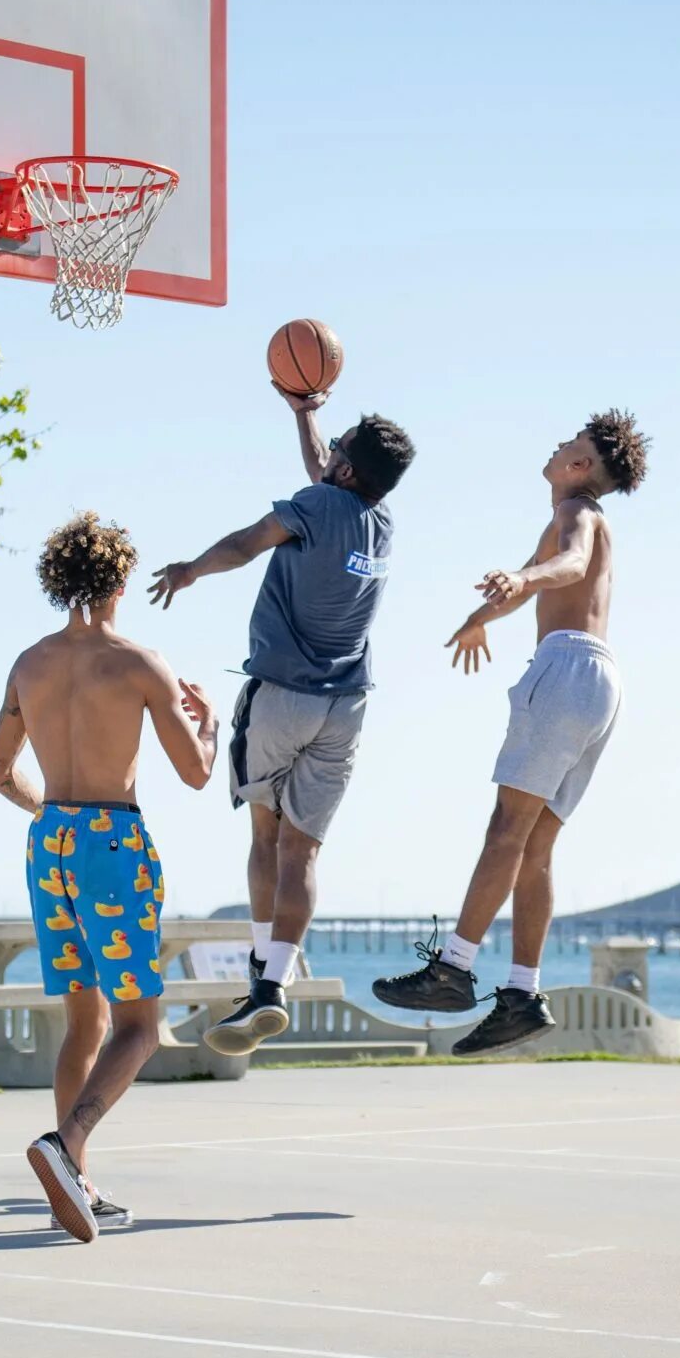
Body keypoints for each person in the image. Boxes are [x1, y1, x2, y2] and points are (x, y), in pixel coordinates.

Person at [147, 387, 414, 1054]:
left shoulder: (317, 505)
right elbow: (326, 471)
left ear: (348, 471)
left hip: (282, 697)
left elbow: (247, 541)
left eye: (340, 451)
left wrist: (190, 570)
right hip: (346, 706)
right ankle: (277, 982)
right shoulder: (378, 523)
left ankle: (260, 983)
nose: (330, 456)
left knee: (264, 839)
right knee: (304, 852)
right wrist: (305, 413)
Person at [373, 411, 650, 1054]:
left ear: (580, 468)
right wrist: (481, 615)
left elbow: (567, 565)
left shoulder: (576, 513)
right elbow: (536, 579)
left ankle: (454, 971)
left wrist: (524, 578)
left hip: (565, 669)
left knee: (505, 831)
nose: (556, 448)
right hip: (601, 681)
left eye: (567, 446)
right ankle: (522, 994)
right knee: (536, 848)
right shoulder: (570, 517)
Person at [0, 512, 219, 1241]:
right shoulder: (138, 662)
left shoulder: (29, 663)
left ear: (58, 581)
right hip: (110, 846)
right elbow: (196, 773)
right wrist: (210, 720)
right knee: (142, 1024)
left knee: (84, 1018)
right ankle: (66, 1143)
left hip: (50, 838)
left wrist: (49, 812)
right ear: (120, 581)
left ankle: (73, 1181)